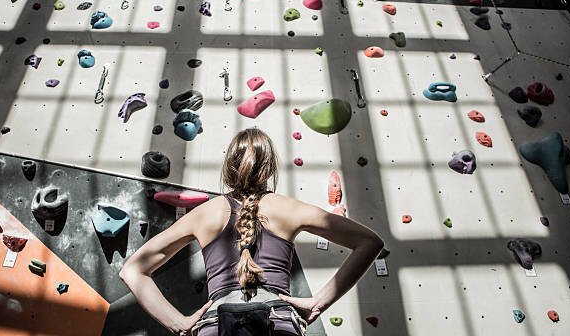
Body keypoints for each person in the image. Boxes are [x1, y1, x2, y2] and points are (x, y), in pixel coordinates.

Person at [120, 128, 384, 335]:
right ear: (269, 169)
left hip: (216, 325)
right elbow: (369, 242)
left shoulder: (204, 214)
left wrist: (179, 324)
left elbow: (132, 270)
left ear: (228, 169)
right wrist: (318, 303)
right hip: (278, 323)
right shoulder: (289, 208)